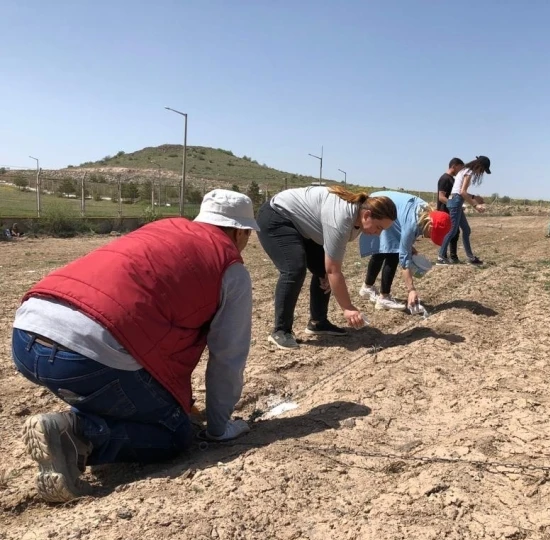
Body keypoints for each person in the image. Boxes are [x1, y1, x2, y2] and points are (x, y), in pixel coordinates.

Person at [11, 189, 258, 503]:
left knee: (122, 385)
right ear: (240, 231)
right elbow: (228, 356)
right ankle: (77, 435)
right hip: (87, 359)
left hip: (27, 333)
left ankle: (78, 420)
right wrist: (219, 428)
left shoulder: (164, 227)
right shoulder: (230, 268)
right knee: (174, 432)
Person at [256, 185, 397, 350]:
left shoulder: (356, 217)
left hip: (303, 226)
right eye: (379, 227)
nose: (378, 233)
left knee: (323, 272)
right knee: (294, 269)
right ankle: (281, 330)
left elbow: (329, 269)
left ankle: (318, 322)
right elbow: (334, 270)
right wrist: (348, 308)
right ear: (367, 215)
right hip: (277, 216)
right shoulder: (342, 218)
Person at [358, 191, 452, 310]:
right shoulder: (412, 224)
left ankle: (367, 287)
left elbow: (404, 232)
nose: (430, 238)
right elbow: (404, 259)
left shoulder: (424, 212)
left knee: (383, 250)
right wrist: (411, 290)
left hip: (383, 205)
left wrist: (409, 247)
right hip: (379, 207)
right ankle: (384, 298)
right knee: (393, 253)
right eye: (432, 234)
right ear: (430, 225)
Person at [437, 155, 490, 266]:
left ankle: (471, 257)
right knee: (452, 231)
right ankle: (440, 257)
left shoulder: (464, 170)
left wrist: (475, 197)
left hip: (456, 201)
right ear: (479, 165)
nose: (482, 172)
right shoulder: (468, 172)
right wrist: (476, 206)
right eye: (482, 170)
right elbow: (462, 192)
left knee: (466, 230)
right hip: (456, 202)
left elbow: (460, 192)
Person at [436, 158, 465, 262]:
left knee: (455, 232)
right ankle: (442, 256)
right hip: (445, 211)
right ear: (454, 166)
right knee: (450, 233)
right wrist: (454, 205)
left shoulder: (452, 179)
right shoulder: (445, 179)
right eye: (460, 168)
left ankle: (453, 257)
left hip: (451, 210)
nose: (461, 171)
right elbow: (441, 197)